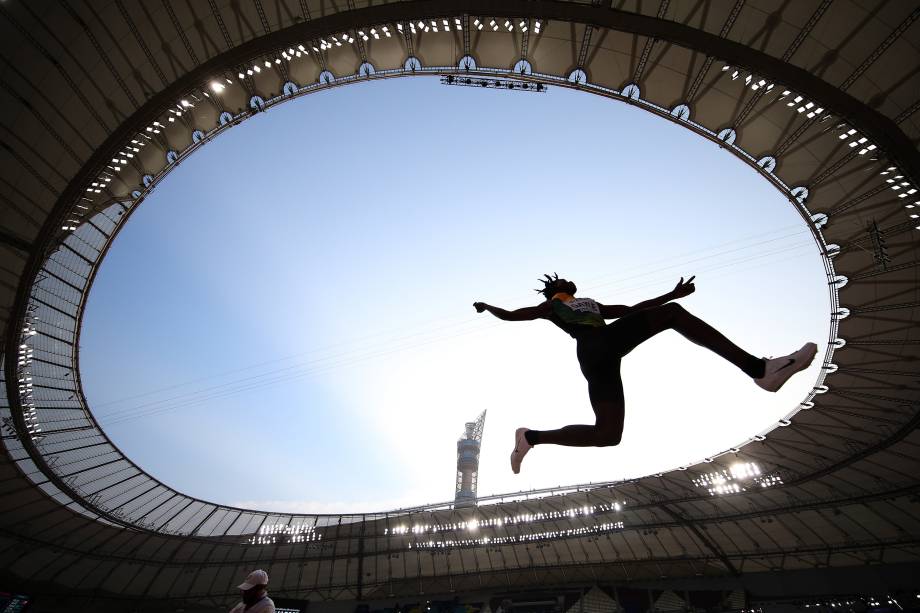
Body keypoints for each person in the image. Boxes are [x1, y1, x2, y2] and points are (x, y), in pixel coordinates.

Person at [473, 273, 817, 474]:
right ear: (554, 290)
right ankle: (760, 369)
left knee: (608, 434)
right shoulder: (551, 306)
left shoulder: (590, 303)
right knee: (672, 314)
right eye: (560, 281)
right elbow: (514, 315)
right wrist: (490, 308)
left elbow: (631, 310)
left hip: (604, 353)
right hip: (595, 347)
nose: (564, 280)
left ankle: (531, 437)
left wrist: (671, 292)